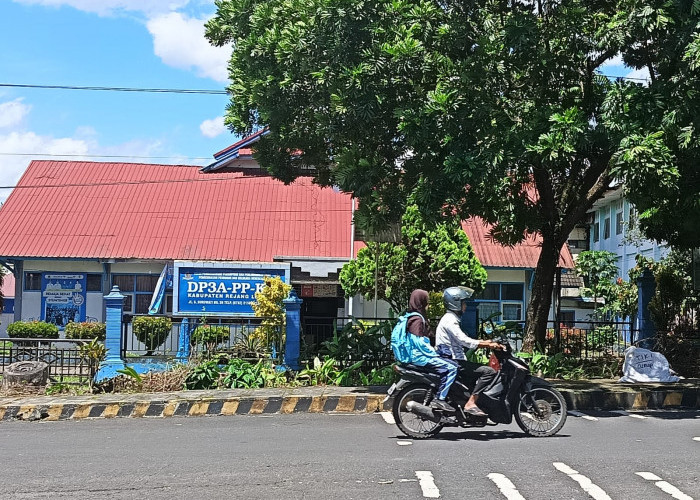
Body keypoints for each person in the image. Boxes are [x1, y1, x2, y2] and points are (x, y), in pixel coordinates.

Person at [435, 286, 503, 417]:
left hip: (456, 359)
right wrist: (486, 344)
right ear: (455, 303)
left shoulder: (452, 318)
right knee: (489, 372)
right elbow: (464, 340)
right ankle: (471, 403)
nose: (465, 306)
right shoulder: (450, 320)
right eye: (463, 303)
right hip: (454, 361)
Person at [404, 289, 458, 412]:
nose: (428, 305)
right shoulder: (417, 320)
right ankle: (440, 399)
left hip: (419, 355)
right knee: (452, 368)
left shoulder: (413, 316)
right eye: (426, 301)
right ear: (421, 302)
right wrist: (433, 352)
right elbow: (418, 342)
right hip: (420, 357)